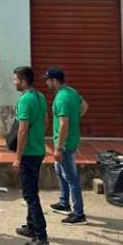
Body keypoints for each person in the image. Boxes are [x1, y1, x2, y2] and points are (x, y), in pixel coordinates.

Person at [11, 66, 50, 245]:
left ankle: (41, 238)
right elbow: (46, 122)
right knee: (32, 190)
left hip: (28, 153)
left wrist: (17, 157)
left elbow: (22, 129)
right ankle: (31, 226)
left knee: (30, 195)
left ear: (23, 81)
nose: (14, 82)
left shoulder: (24, 100)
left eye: (16, 79)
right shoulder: (40, 97)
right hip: (39, 149)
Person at [44, 67, 89, 226]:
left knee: (71, 177)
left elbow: (63, 124)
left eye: (48, 80)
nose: (46, 83)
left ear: (55, 81)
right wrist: (75, 119)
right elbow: (84, 106)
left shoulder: (61, 98)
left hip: (65, 144)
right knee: (59, 170)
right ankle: (64, 202)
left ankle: (78, 214)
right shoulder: (72, 91)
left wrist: (59, 147)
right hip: (70, 140)